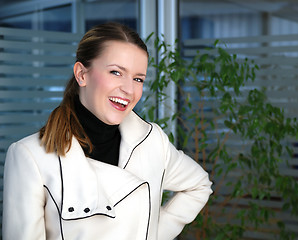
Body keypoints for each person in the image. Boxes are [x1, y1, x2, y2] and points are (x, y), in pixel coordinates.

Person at [2, 22, 212, 240]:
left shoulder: (152, 141)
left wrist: (153, 234)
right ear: (82, 74)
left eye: (138, 78)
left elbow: (199, 185)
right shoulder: (30, 156)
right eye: (116, 72)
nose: (129, 90)